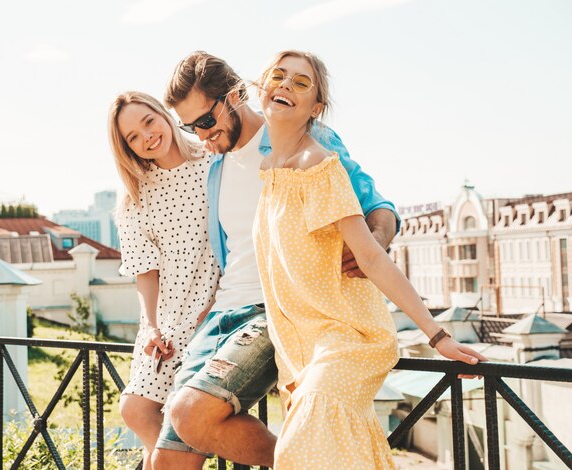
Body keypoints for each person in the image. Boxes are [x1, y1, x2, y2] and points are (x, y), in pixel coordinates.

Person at [149, 51, 401, 469]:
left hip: (275, 309)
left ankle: (320, 460)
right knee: (168, 461)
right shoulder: (215, 166)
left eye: (206, 121)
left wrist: (374, 239)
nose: (200, 135)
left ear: (234, 96)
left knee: (191, 414)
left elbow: (376, 204)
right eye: (189, 127)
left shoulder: (297, 137)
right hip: (220, 318)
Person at [253, 50, 487, 469]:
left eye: (301, 82)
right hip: (303, 350)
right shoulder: (269, 170)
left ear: (316, 107)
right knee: (352, 457)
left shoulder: (321, 165)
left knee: (295, 454)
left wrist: (437, 337)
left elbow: (373, 260)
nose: (286, 85)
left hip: (350, 338)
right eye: (278, 75)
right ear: (263, 86)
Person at [108, 91, 220, 469]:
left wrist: (215, 307)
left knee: (175, 428)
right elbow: (145, 270)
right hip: (165, 320)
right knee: (136, 410)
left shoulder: (215, 162)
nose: (146, 138)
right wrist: (151, 326)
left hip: (215, 308)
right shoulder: (133, 196)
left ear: (163, 113)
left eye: (148, 122)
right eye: (133, 137)